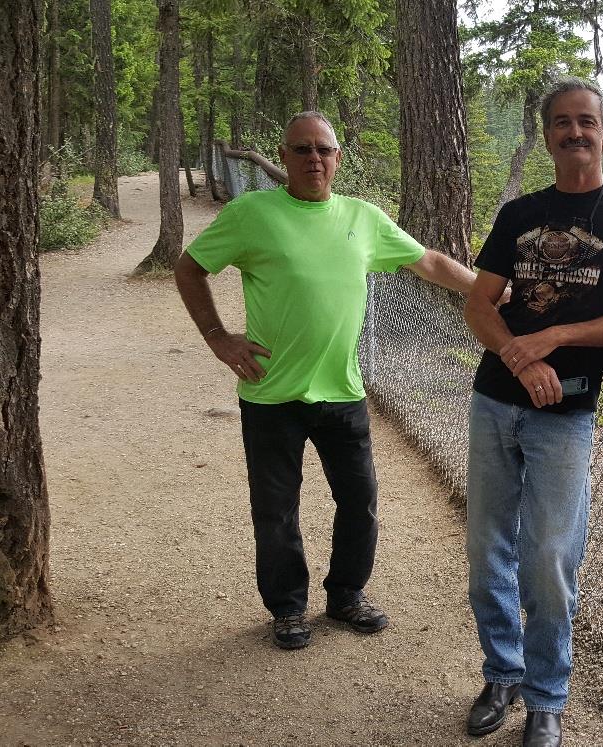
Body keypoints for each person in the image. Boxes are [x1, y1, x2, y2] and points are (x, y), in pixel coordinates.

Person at [175, 111, 478, 650]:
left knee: (359, 501)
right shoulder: (253, 213)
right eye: (301, 149)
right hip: (271, 392)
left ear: (338, 157)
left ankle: (345, 597)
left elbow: (429, 261)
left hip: (343, 391)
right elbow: (190, 267)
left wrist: (488, 290)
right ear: (284, 159)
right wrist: (218, 336)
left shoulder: (362, 217)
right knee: (276, 509)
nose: (313, 158)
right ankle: (288, 609)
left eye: (323, 149)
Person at [461, 78, 603, 747]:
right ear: (547, 135)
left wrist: (555, 338)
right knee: (487, 543)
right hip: (496, 398)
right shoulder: (520, 214)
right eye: (561, 122)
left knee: (549, 556)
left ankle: (547, 697)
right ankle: (502, 672)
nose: (574, 132)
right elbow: (480, 303)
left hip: (567, 410)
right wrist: (522, 358)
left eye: (587, 121)